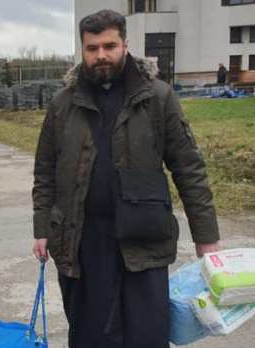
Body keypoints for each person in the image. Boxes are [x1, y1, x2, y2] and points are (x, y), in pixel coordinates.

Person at [32, 9, 220, 348]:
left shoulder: (157, 97)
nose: (100, 55)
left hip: (143, 240)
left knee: (145, 335)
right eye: (92, 48)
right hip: (81, 243)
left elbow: (189, 168)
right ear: (82, 50)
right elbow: (45, 169)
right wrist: (41, 227)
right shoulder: (63, 104)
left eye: (109, 45)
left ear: (125, 45)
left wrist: (206, 237)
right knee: (90, 335)